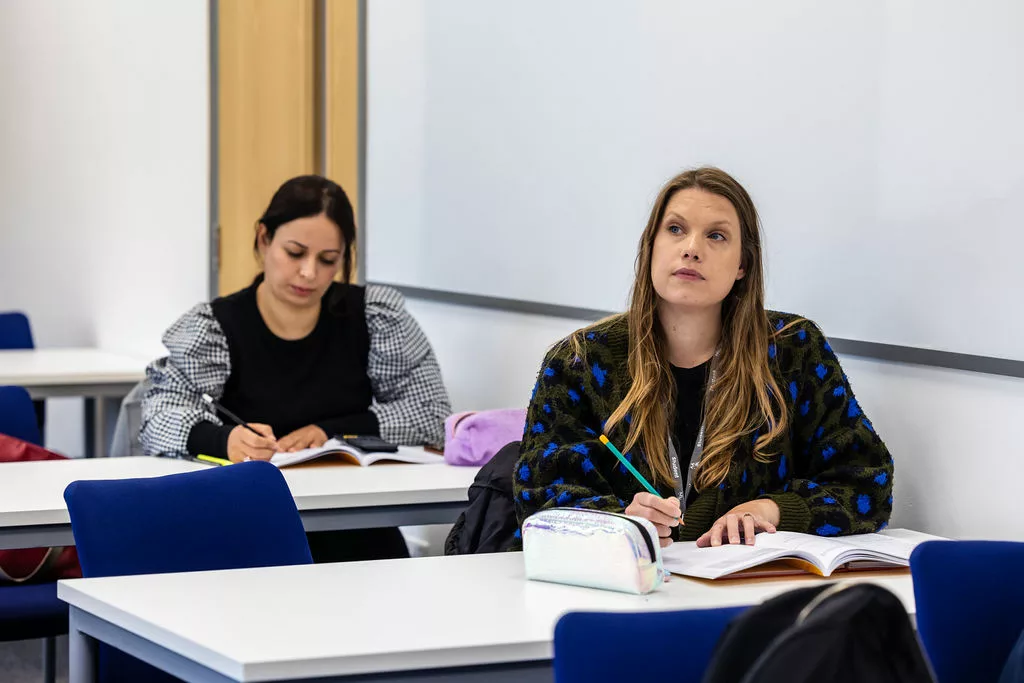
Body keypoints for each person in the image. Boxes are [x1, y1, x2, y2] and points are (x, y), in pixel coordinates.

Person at [514, 167, 893, 548]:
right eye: (675, 229)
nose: (692, 248)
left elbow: (866, 484)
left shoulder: (793, 351)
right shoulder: (579, 361)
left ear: (743, 264)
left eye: (716, 235)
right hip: (626, 591)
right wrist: (621, 522)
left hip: (748, 594)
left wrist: (770, 509)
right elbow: (540, 499)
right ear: (651, 247)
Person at [140, 174, 451, 561]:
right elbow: (158, 416)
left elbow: (433, 415)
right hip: (248, 528)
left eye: (327, 261)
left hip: (357, 527)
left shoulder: (374, 317)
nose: (309, 273)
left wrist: (331, 431)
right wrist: (225, 441)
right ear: (263, 238)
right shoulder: (215, 327)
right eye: (294, 253)